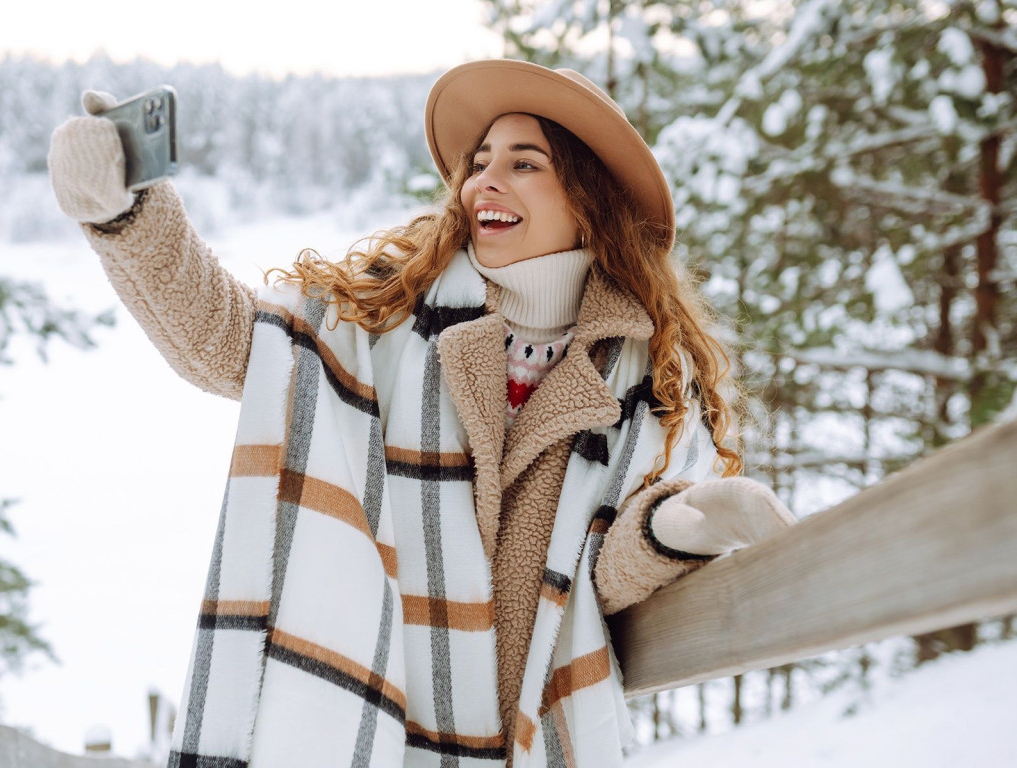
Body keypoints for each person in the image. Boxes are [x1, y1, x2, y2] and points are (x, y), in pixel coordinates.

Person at [48, 59, 794, 768]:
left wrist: (679, 526)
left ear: (589, 203)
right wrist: (130, 221)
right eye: (479, 162)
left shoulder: (646, 378)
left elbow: (599, 572)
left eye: (524, 163)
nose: (483, 181)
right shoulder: (385, 326)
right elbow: (228, 343)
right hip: (379, 740)